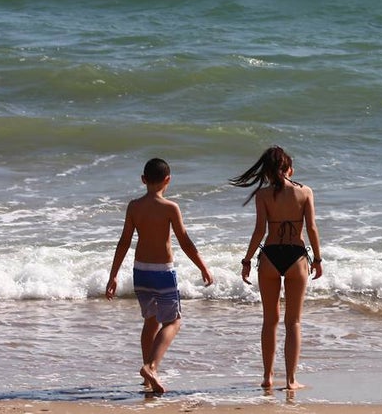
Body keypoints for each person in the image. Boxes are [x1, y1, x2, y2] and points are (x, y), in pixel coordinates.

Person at [106, 157, 214, 395]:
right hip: (163, 272)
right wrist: (203, 266)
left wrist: (113, 275)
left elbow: (124, 241)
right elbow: (184, 241)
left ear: (143, 180)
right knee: (173, 321)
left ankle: (148, 376)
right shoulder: (170, 208)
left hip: (140, 272)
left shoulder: (134, 206)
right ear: (168, 180)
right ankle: (152, 367)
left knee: (150, 321)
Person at [230, 145, 323, 390]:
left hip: (270, 257)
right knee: (293, 322)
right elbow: (312, 228)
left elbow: (260, 230)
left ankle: (268, 377)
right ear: (290, 168)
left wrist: (247, 260)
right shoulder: (305, 193)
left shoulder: (262, 196)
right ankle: (291, 380)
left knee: (270, 320)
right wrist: (318, 260)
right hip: (296, 257)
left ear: (269, 172)